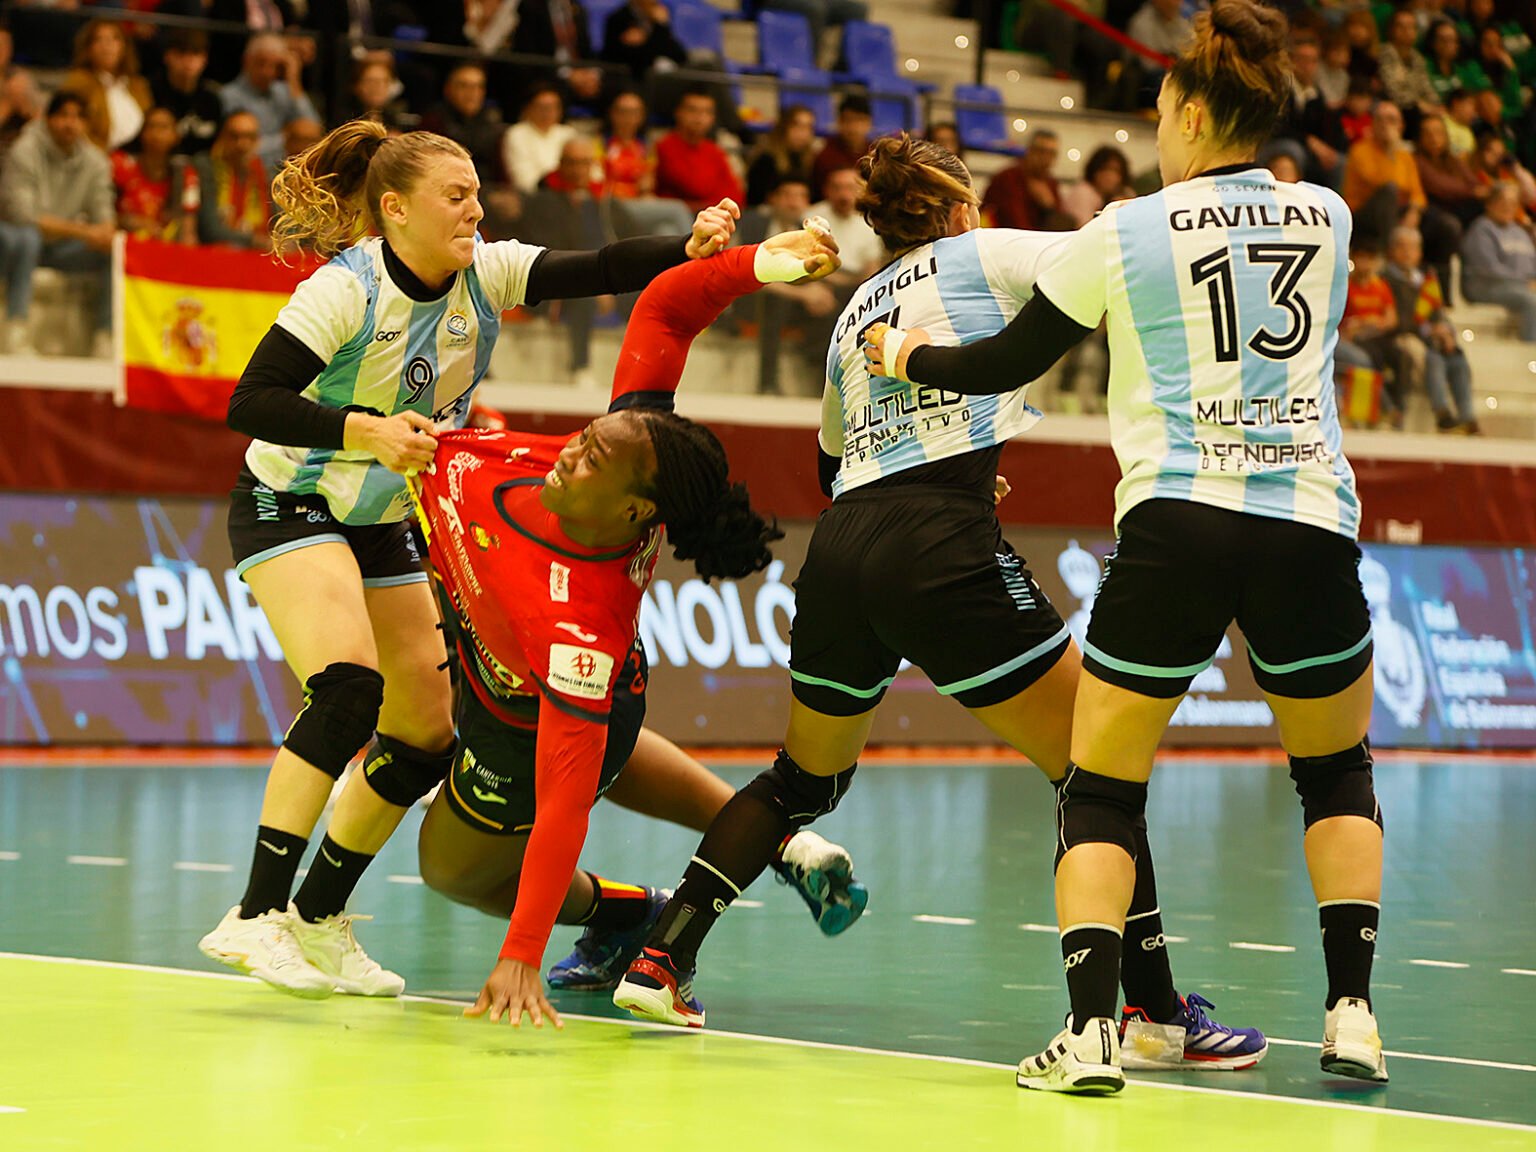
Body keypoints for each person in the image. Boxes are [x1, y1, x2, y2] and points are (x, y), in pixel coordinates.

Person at [614, 135, 1269, 1077]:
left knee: (801, 781)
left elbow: (831, 460)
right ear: (957, 203)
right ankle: (1151, 1012)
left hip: (841, 546)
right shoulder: (991, 249)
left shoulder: (851, 314)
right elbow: (1113, 261)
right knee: (1099, 766)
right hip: (938, 540)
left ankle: (659, 957)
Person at [864, 0, 1387, 1092]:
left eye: (1161, 107)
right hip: (1307, 525)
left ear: (1194, 108)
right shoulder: (1328, 215)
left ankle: (1093, 1034)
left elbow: (1004, 363)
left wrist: (906, 352)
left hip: (1178, 525)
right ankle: (1352, 1019)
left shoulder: (1123, 230)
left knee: (1102, 785)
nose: (1156, 127)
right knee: (1335, 771)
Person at [195, 118, 742, 998]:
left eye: (479, 195)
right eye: (457, 198)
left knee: (424, 733)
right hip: (289, 499)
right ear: (394, 209)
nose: (475, 211)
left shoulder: (480, 273)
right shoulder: (344, 292)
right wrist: (367, 432)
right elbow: (248, 401)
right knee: (346, 690)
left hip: (379, 515)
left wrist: (690, 244)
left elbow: (596, 268)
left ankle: (320, 922)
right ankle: (257, 914)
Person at [412, 229, 859, 1026]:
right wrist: (758, 263)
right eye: (582, 439)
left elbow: (565, 804)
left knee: (452, 872)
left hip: (523, 720)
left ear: (631, 511)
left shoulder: (574, 624)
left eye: (586, 459)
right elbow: (663, 313)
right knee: (606, 741)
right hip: (602, 696)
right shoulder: (631, 448)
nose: (569, 453)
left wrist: (519, 954)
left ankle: (625, 914)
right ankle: (783, 845)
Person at [0, 91, 116, 359]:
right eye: (63, 115)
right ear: (48, 119)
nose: (70, 123)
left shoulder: (95, 161)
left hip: (59, 247)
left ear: (86, 124)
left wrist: (105, 233)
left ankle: (105, 337)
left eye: (77, 117)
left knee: (115, 250)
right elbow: (23, 215)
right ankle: (16, 329)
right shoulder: (25, 149)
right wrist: (86, 231)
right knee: (28, 238)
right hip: (12, 240)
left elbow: (104, 213)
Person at [1383, 225, 1478, 432]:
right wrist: (1427, 330)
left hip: (1429, 338)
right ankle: (1441, 413)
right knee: (1432, 358)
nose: (1407, 252)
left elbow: (1438, 313)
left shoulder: (1426, 280)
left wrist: (1446, 332)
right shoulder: (1386, 279)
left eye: (1413, 247)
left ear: (1420, 252)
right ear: (1392, 250)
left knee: (1457, 360)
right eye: (1402, 247)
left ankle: (1467, 417)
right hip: (1399, 337)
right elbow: (1395, 318)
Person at [219, 32, 322, 174]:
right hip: (244, 172)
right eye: (262, 63)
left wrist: (294, 80)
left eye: (275, 66)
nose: (268, 72)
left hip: (283, 171)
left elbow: (311, 129)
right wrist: (286, 138)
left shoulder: (282, 91)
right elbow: (243, 147)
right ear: (247, 60)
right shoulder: (229, 96)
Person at [60, 18, 152, 152]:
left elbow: (151, 123)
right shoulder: (78, 82)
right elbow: (72, 127)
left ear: (124, 46)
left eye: (114, 38)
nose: (106, 45)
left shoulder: (138, 84)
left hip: (138, 161)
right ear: (88, 48)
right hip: (96, 159)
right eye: (98, 39)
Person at [1461, 181, 1536, 342]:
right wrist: (1525, 282)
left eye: (1513, 203)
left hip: (1519, 286)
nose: (1508, 207)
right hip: (1486, 286)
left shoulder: (1520, 232)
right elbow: (1489, 269)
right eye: (1503, 201)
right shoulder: (1481, 230)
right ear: (1489, 204)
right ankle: (1531, 352)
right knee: (1532, 301)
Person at [111, 106, 196, 242]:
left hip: (167, 248)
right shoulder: (121, 164)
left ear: (176, 136)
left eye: (163, 127)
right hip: (124, 245)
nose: (156, 134)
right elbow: (101, 215)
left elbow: (188, 226)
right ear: (141, 133)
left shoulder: (186, 174)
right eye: (151, 126)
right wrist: (130, 221)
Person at [192, 111, 272, 251]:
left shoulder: (266, 174)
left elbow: (279, 225)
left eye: (250, 137)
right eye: (234, 136)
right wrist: (253, 240)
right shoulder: (206, 167)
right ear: (222, 137)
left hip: (257, 258)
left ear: (258, 141)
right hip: (215, 257)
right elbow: (210, 230)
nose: (242, 144)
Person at [654, 87, 743, 211]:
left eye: (707, 112)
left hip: (710, 217)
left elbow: (736, 196)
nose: (699, 118)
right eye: (692, 110)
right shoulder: (665, 146)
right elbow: (695, 187)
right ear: (679, 112)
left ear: (713, 118)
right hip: (674, 218)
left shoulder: (714, 151)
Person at [149, 29, 222, 155]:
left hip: (203, 168)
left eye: (195, 53)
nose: (188, 60)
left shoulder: (212, 97)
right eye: (181, 53)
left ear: (204, 59)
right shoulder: (150, 91)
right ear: (167, 56)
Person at [981, 128, 1071, 231]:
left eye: (1051, 154)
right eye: (1041, 151)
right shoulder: (1008, 178)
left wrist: (1049, 207)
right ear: (1029, 151)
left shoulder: (1051, 183)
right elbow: (1015, 225)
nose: (1046, 158)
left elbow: (1059, 225)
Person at [503, 83, 577, 196]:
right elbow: (525, 182)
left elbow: (593, 174)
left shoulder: (568, 133)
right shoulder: (517, 134)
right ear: (529, 108)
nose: (548, 112)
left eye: (553, 107)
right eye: (542, 107)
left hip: (573, 196)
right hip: (535, 199)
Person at [744, 103, 817, 207]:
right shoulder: (765, 160)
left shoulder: (810, 160)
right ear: (784, 128)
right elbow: (755, 201)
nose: (802, 133)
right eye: (797, 126)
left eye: (808, 127)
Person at [810, 94, 871, 201]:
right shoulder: (825, 156)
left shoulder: (875, 155)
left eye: (860, 120)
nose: (854, 127)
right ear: (839, 122)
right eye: (848, 120)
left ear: (869, 123)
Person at [1059, 145, 1133, 227]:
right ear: (1094, 171)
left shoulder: (1121, 194)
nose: (1110, 176)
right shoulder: (1083, 193)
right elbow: (1084, 229)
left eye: (1116, 171)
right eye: (1105, 169)